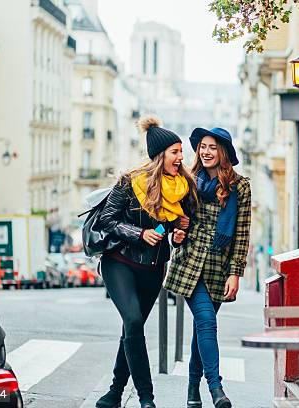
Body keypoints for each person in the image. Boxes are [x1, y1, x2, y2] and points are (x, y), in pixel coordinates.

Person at [95, 116, 196, 408]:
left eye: (181, 152)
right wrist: (140, 233)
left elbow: (176, 229)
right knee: (133, 320)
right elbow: (107, 220)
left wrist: (177, 234)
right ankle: (146, 397)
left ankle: (114, 393)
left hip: (153, 268)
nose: (180, 157)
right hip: (120, 261)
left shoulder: (183, 186)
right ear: (160, 155)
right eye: (175, 152)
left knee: (132, 330)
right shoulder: (130, 181)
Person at [164, 127, 251, 408]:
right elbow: (176, 219)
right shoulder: (188, 182)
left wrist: (236, 272)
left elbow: (241, 233)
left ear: (223, 151)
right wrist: (176, 234)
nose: (206, 151)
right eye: (202, 146)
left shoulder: (240, 187)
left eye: (212, 147)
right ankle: (216, 388)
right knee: (206, 322)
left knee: (202, 329)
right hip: (189, 264)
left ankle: (192, 389)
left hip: (218, 267)